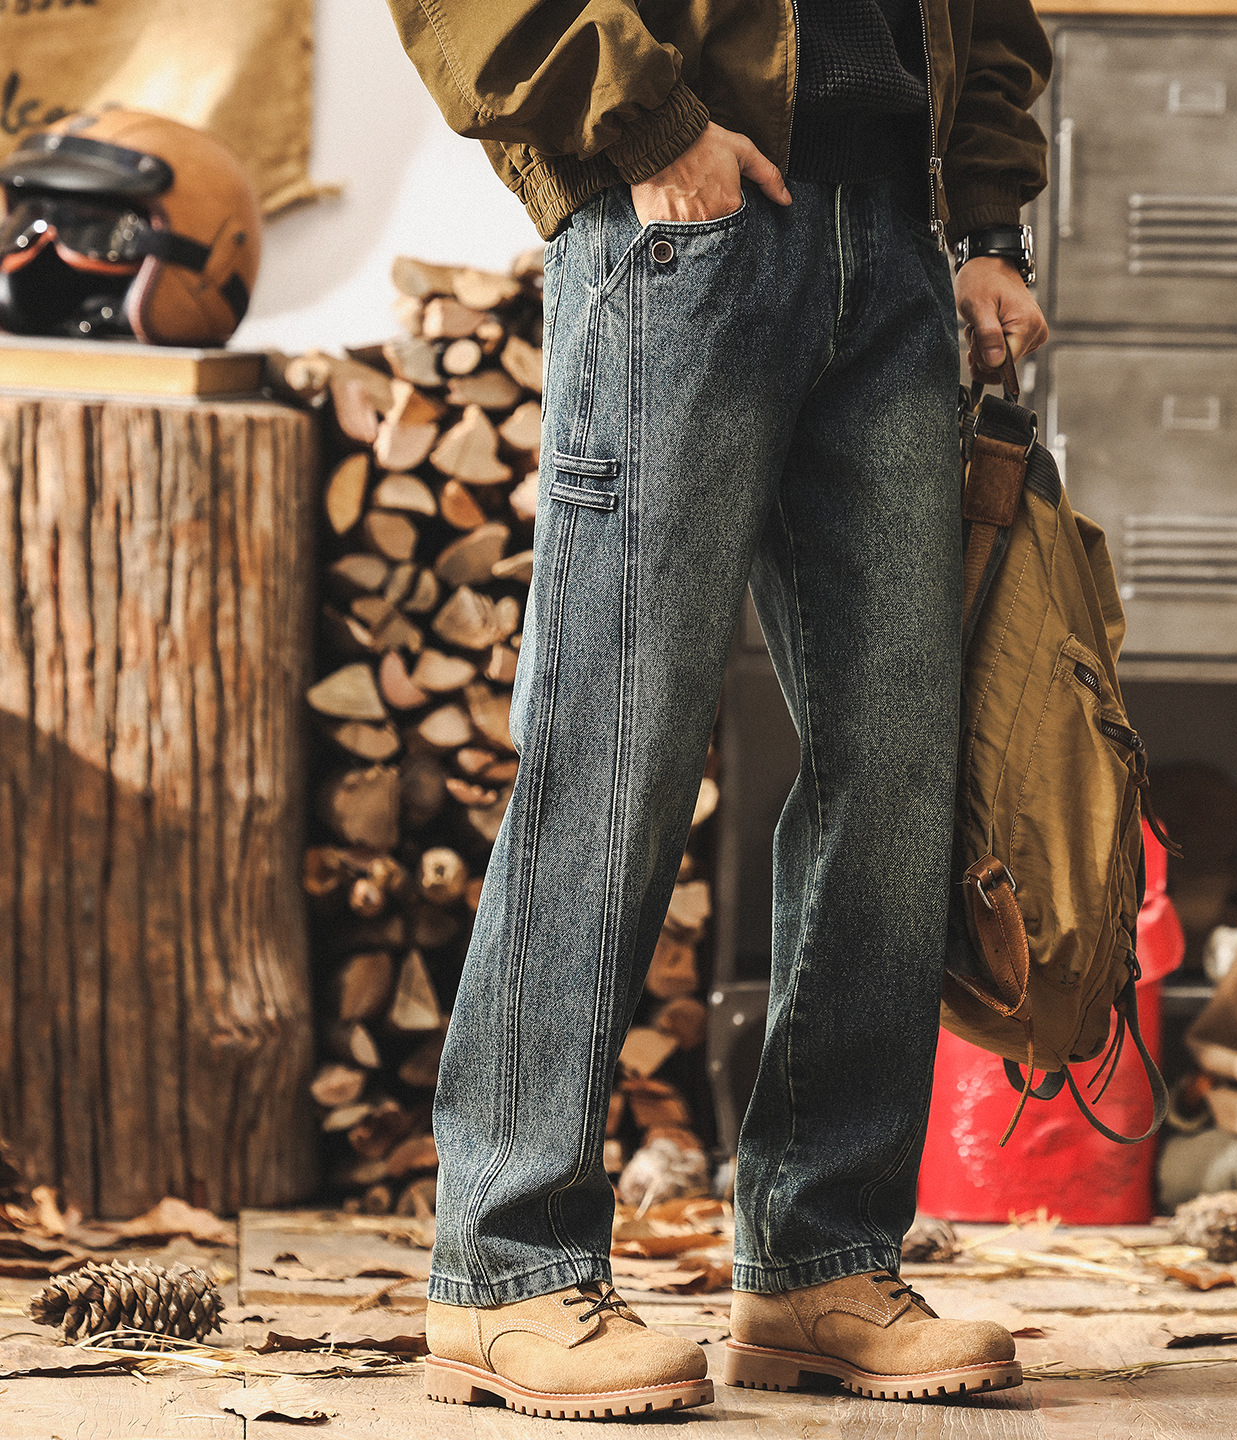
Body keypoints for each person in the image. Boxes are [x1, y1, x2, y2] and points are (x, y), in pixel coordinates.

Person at [384, 0, 1052, 1418]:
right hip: (683, 227)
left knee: (899, 771)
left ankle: (821, 1261)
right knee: (612, 752)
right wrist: (642, 128)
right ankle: (502, 1268)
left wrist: (988, 225)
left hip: (894, 244)